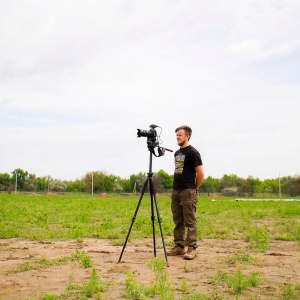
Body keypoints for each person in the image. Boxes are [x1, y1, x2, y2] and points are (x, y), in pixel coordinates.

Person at [167, 125, 204, 260]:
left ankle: (192, 248)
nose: (177, 137)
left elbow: (200, 173)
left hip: (188, 190)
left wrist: (195, 189)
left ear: (187, 136)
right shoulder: (177, 153)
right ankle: (179, 247)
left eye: (180, 135)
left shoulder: (193, 152)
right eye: (176, 135)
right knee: (178, 220)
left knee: (190, 220)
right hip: (176, 190)